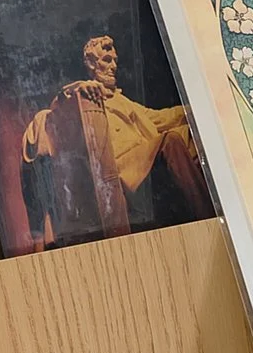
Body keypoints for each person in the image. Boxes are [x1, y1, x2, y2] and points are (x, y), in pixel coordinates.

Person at [19, 32, 210, 247]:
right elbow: (59, 108)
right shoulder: (86, 94)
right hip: (119, 171)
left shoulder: (122, 100)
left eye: (115, 61)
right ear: (91, 64)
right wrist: (80, 87)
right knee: (172, 140)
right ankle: (207, 215)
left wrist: (197, 107)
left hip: (145, 165)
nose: (113, 66)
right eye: (107, 60)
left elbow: (161, 117)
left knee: (192, 134)